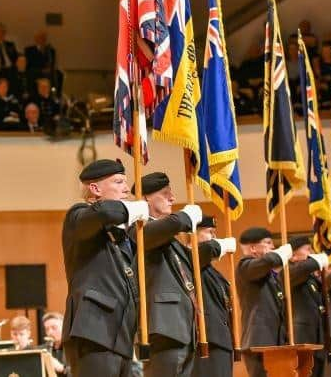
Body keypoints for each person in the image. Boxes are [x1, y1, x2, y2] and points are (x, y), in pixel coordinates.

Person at [136, 172, 234, 377]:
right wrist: (184, 218)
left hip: (183, 329)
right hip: (163, 327)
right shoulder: (139, 228)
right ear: (146, 197)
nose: (172, 198)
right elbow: (154, 233)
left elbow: (191, 260)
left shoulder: (169, 237)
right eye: (165, 194)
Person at [62, 158, 150, 377]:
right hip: (94, 331)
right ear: (95, 188)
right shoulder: (79, 216)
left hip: (121, 333)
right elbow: (104, 213)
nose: (126, 189)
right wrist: (130, 210)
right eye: (119, 182)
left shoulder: (119, 231)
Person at [236, 227, 326, 377]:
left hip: (275, 343)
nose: (272, 247)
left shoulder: (269, 274)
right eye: (268, 243)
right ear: (252, 248)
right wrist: (289, 249)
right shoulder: (245, 266)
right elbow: (270, 260)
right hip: (259, 342)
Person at [192, 216, 235, 377]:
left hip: (220, 340)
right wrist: (222, 245)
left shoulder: (210, 269)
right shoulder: (189, 259)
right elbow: (204, 251)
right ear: (193, 233)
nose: (214, 237)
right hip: (206, 340)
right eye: (210, 232)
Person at [289, 235, 329, 377]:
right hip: (302, 339)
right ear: (293, 256)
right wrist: (317, 260)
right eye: (307, 249)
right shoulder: (289, 272)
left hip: (316, 340)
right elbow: (303, 269)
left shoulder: (309, 278)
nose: (312, 253)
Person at [43, 312, 71, 377]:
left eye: (54, 328)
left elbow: (83, 371)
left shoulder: (74, 348)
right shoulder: (43, 350)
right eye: (47, 329)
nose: (50, 332)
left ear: (64, 327)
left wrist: (62, 369)